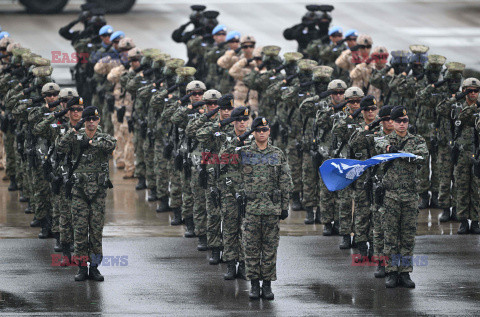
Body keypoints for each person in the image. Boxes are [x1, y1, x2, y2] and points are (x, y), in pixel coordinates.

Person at [222, 116, 292, 300]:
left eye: (265, 130)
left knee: (269, 249)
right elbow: (226, 167)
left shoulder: (277, 153)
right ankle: (254, 285)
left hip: (271, 209)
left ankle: (267, 285)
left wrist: (285, 206)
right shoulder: (243, 152)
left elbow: (285, 181)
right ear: (253, 133)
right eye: (258, 130)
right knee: (251, 249)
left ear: (269, 131)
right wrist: (237, 193)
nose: (262, 133)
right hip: (251, 209)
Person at [57, 106, 116, 281]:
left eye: (94, 119)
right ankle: (82, 267)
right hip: (79, 191)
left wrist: (90, 142)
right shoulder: (75, 136)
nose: (91, 122)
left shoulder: (103, 137)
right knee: (80, 231)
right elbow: (61, 145)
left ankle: (95, 267)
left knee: (96, 232)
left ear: (98, 121)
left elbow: (111, 144)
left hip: (98, 192)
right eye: (88, 119)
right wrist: (75, 129)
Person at [375, 106, 428, 288]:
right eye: (398, 121)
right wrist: (391, 148)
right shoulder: (385, 140)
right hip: (391, 195)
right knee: (390, 236)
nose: (402, 124)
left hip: (410, 195)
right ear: (393, 122)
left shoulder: (417, 140)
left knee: (407, 236)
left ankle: (405, 272)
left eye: (405, 121)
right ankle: (391, 271)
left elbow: (422, 156)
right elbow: (379, 146)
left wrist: (405, 155)